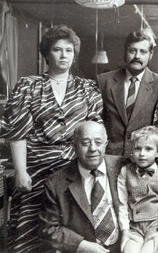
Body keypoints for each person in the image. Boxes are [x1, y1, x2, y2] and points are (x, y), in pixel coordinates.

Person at [0, 25, 103, 253]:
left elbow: (94, 132)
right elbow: (17, 132)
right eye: (57, 50)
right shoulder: (29, 86)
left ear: (74, 54)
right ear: (47, 54)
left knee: (70, 230)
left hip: (72, 170)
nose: (64, 55)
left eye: (69, 50)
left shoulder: (87, 89)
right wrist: (20, 171)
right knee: (29, 230)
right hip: (35, 169)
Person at [39, 121, 121, 253]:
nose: (93, 148)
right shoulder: (55, 183)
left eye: (98, 142)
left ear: (106, 145)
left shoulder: (124, 167)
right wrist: (82, 245)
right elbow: (48, 228)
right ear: (74, 146)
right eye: (85, 143)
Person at [97, 29, 158, 157]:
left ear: (150, 55)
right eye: (132, 51)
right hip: (110, 157)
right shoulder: (104, 81)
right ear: (125, 52)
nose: (137, 56)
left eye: (143, 52)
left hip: (144, 158)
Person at [117, 126, 158, 253]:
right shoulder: (125, 172)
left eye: (148, 149)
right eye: (138, 148)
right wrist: (125, 231)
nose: (142, 154)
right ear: (132, 150)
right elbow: (122, 204)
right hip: (134, 227)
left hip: (155, 227)